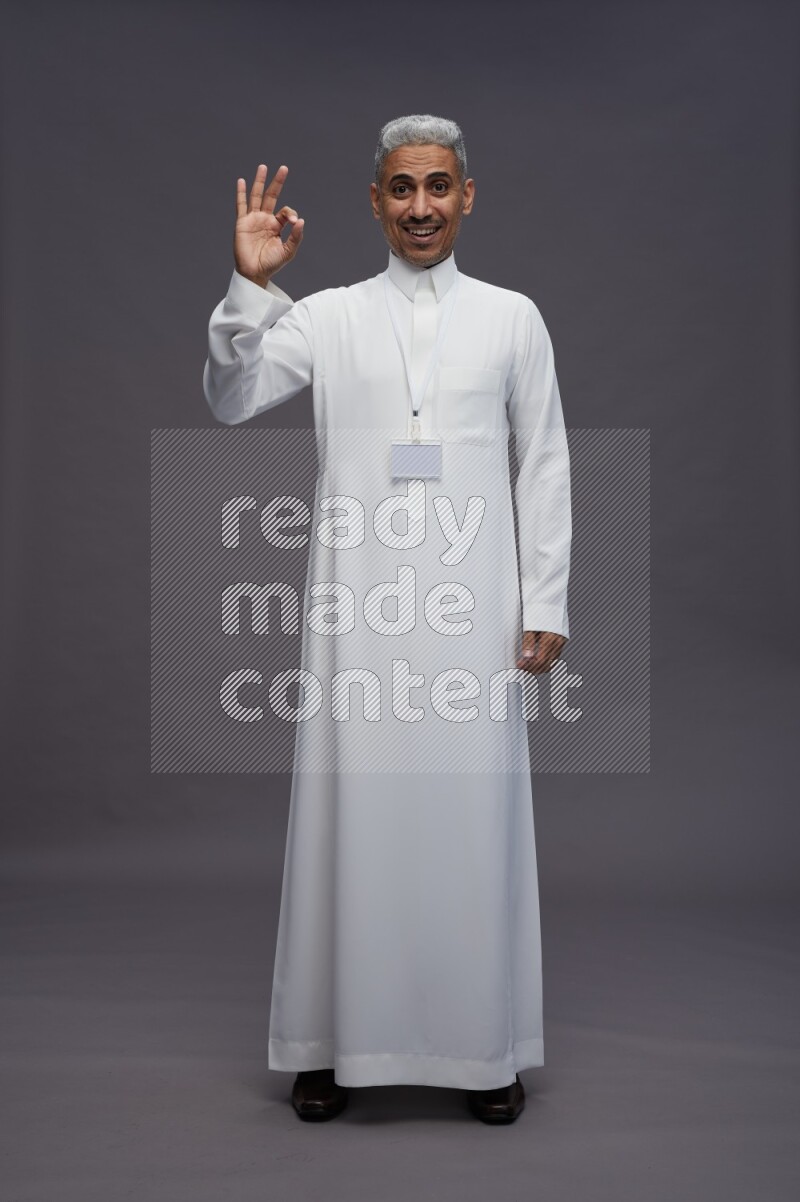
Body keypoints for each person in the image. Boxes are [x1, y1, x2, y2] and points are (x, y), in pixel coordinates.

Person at [203, 114, 571, 1124]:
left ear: (465, 196)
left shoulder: (511, 317)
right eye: (400, 188)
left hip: (473, 606)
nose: (419, 206)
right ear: (374, 201)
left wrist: (545, 598)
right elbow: (231, 397)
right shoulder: (324, 316)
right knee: (345, 809)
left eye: (437, 187)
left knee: (472, 814)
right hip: (354, 606)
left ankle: (481, 1046)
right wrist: (250, 285)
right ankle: (328, 1043)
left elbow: (541, 460)